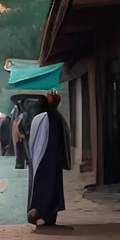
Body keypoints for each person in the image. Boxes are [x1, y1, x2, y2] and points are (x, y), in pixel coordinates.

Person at [27, 91, 70, 227]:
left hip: (44, 160)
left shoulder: (41, 119)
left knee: (48, 188)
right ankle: (45, 214)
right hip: (48, 160)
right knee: (50, 188)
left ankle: (47, 215)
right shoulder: (51, 118)